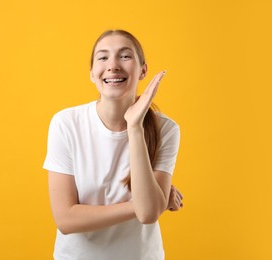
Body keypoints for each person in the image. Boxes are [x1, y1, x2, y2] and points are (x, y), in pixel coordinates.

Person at [43, 29, 183, 260]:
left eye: (125, 56)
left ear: (143, 71)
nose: (113, 65)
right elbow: (65, 219)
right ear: (92, 73)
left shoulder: (166, 129)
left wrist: (135, 127)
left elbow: (148, 215)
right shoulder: (66, 123)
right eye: (103, 57)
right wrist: (146, 202)